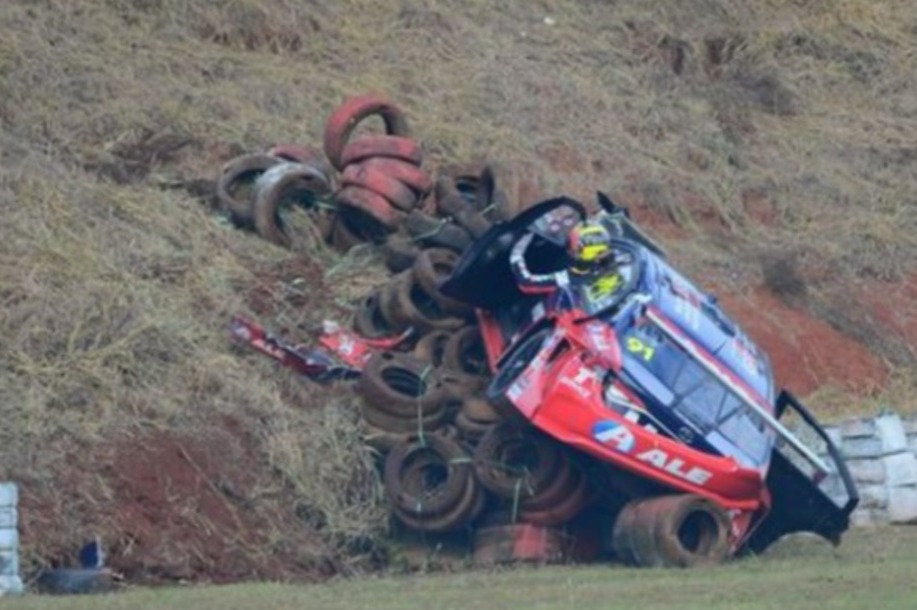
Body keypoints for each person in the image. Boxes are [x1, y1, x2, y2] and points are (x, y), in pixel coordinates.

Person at [510, 219, 631, 308]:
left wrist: (516, 254)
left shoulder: (568, 280)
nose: (568, 251)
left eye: (573, 249)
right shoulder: (624, 261)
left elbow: (525, 283)